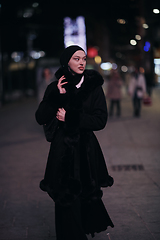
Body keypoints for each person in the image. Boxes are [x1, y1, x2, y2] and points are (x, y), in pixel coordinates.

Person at [35, 45, 114, 240]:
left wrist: (70, 117)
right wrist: (56, 96)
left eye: (83, 59)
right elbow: (40, 117)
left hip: (86, 151)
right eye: (76, 59)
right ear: (66, 62)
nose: (81, 62)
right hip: (62, 152)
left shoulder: (93, 87)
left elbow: (100, 120)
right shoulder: (56, 86)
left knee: (86, 196)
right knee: (65, 198)